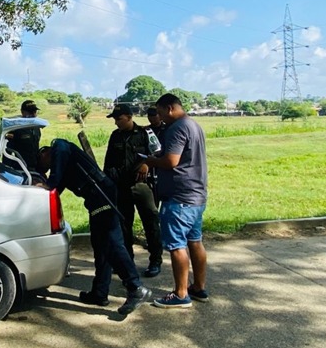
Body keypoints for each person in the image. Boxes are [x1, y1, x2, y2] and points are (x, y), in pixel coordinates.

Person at [37, 139, 152, 316]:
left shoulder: (59, 146)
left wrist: (47, 184)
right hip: (96, 197)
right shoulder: (64, 163)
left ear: (45, 152)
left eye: (44, 163)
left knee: (112, 243)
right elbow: (54, 190)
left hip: (101, 194)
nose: (47, 167)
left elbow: (53, 182)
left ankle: (135, 288)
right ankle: (100, 292)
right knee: (100, 245)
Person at [143, 93, 209, 309]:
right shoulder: (194, 125)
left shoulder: (177, 127)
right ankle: (198, 287)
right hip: (196, 195)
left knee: (176, 245)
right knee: (195, 241)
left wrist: (151, 161)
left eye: (161, 113)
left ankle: (181, 294)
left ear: (170, 108)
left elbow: (171, 161)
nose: (160, 118)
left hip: (179, 198)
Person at [103, 104, 163, 278]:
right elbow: (108, 162)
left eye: (119, 119)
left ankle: (155, 261)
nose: (116, 122)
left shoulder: (146, 134)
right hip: (120, 187)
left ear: (129, 117)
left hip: (141, 186)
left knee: (151, 223)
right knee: (124, 226)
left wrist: (147, 163)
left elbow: (159, 153)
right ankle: (127, 262)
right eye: (114, 119)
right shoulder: (115, 136)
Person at [5, 99, 41, 169]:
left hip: (35, 167)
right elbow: (8, 151)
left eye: (35, 111)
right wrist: (6, 169)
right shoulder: (15, 128)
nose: (33, 114)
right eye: (30, 112)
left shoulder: (37, 127)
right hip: (20, 168)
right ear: (22, 112)